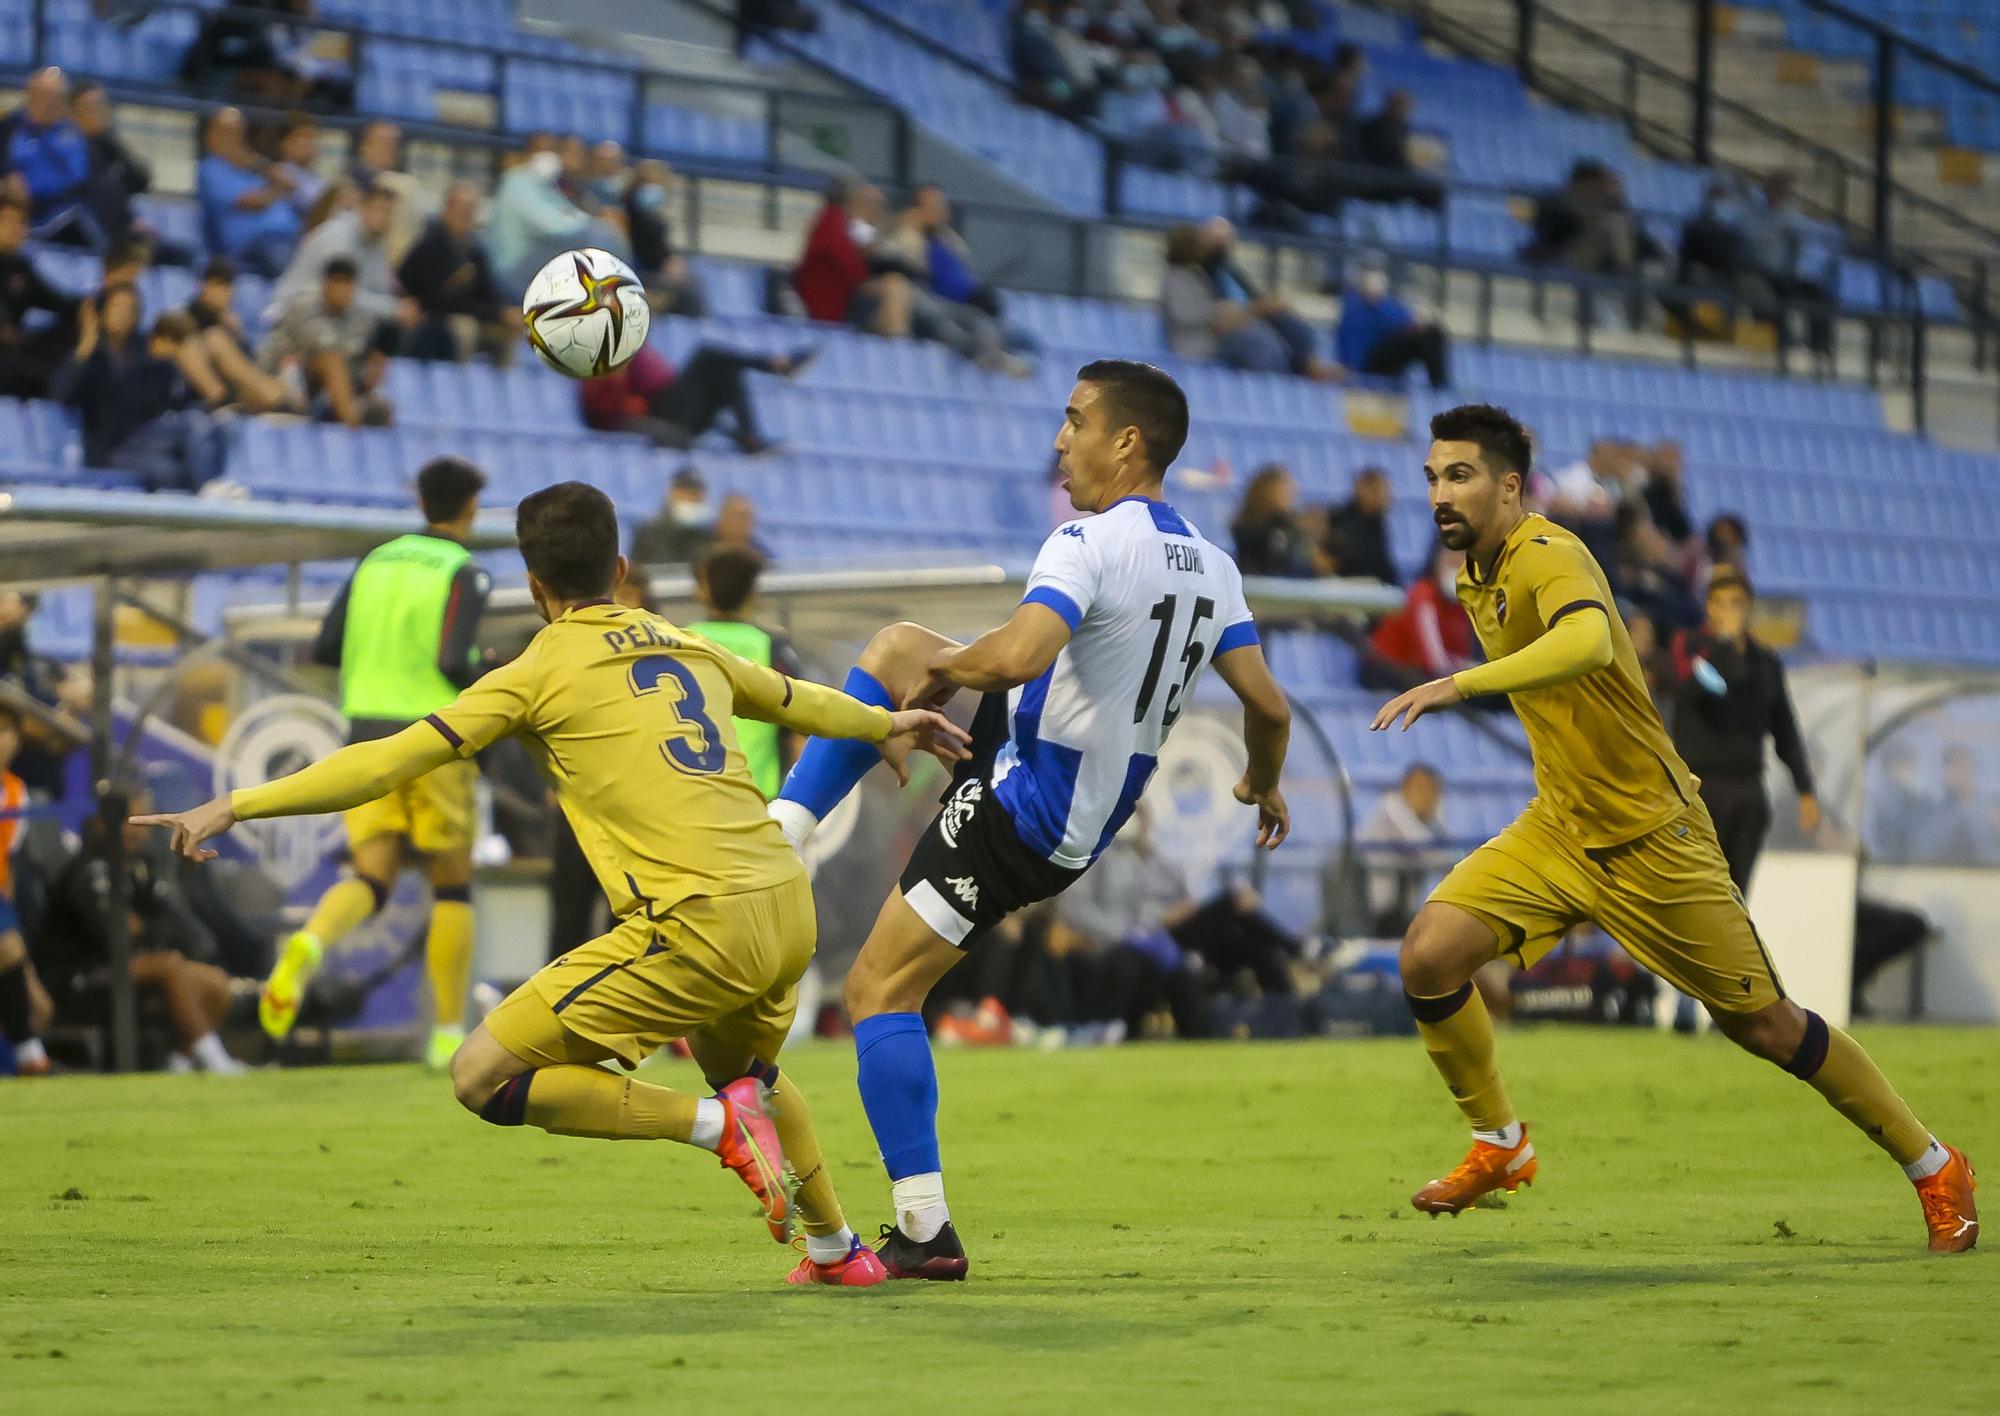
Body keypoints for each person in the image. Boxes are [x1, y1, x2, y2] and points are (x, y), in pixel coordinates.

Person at [137, 480, 970, 1288]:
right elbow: (796, 700)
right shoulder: (683, 640)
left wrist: (239, 803)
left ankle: (717, 1128)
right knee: (748, 1065)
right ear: (619, 568)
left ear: (534, 585)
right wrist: (886, 722)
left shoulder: (534, 671)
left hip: (694, 922)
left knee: (481, 1076)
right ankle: (835, 1248)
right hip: (784, 904)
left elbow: (385, 760)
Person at [1366, 402, 1975, 1251]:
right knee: (1429, 954)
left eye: (1459, 474)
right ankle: (1501, 1144)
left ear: (1510, 486)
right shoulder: (1478, 572)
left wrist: (1462, 684)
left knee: (1766, 1025)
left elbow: (1583, 643)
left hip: (1654, 837)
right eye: (1432, 476)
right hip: (1560, 827)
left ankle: (1934, 1163)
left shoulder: (1550, 553)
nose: (1440, 491)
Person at [767, 360, 1294, 1278]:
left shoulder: (1086, 541)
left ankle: (926, 1232)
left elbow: (1017, 655)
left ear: (1126, 441)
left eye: (1076, 419)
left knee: (876, 993)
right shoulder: (1216, 569)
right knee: (895, 648)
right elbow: (1271, 708)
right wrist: (1265, 781)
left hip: (1025, 806)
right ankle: (781, 837)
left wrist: (953, 677)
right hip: (1074, 807)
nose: (1061, 438)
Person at [255, 459, 492, 1070]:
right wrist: (491, 674)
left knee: (372, 877)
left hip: (364, 733)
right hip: (434, 735)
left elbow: (327, 646)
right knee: (452, 884)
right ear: (468, 508)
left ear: (420, 501)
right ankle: (445, 1033)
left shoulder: (373, 561)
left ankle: (309, 943)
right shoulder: (462, 570)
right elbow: (452, 659)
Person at [37, 798, 247, 1074]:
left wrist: (148, 928)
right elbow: (117, 936)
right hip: (76, 979)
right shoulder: (89, 870)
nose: (137, 831)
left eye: (144, 821)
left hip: (129, 970)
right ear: (103, 823)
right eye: (130, 821)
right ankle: (215, 1061)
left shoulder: (143, 868)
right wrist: (145, 931)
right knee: (169, 965)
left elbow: (162, 925)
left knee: (215, 983)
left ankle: (178, 1063)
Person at [50, 288, 226, 493]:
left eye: (131, 308)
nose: (125, 314)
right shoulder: (91, 357)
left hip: (147, 440)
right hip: (111, 450)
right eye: (118, 307)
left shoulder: (144, 352)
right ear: (102, 312)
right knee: (169, 471)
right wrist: (86, 346)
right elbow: (60, 393)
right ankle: (206, 492)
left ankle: (207, 489)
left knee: (204, 425)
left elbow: (169, 405)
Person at [688, 546, 802, 801]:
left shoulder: (681, 641)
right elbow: (797, 728)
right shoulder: (772, 646)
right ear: (753, 593)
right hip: (757, 795)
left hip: (694, 791)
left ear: (703, 592)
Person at [1160, 219, 1333, 380]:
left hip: (1226, 328)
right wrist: (1221, 313)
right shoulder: (1179, 278)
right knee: (1257, 339)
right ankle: (1275, 386)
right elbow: (1190, 315)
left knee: (1282, 322)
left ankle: (1305, 370)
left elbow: (1245, 300)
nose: (1206, 249)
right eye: (1203, 244)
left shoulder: (1212, 273)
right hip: (1201, 342)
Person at [577, 339, 811, 455]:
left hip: (676, 404)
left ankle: (751, 439)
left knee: (727, 375)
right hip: (662, 410)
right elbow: (602, 410)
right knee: (706, 356)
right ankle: (775, 364)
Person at [259, 256, 393, 427]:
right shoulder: (302, 308)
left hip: (324, 393)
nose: (343, 290)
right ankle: (354, 429)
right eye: (338, 282)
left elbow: (359, 362)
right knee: (331, 361)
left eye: (348, 284)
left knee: (381, 408)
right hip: (280, 382)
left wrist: (369, 372)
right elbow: (322, 349)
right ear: (326, 284)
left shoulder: (360, 319)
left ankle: (374, 446)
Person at [266, 179, 411, 334]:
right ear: (362, 208)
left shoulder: (376, 242)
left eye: (388, 213)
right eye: (378, 210)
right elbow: (340, 293)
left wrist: (399, 309)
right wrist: (393, 309)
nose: (382, 218)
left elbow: (378, 289)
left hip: (337, 315)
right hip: (296, 309)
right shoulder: (337, 235)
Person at [396, 181, 511, 364]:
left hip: (468, 313)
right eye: (461, 208)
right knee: (465, 330)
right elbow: (435, 298)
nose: (466, 215)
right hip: (430, 315)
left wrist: (502, 313)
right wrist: (493, 312)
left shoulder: (474, 249)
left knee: (507, 330)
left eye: (471, 209)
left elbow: (488, 292)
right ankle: (456, 387)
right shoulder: (431, 244)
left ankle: (504, 387)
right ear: (448, 207)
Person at [176, 256, 296, 412]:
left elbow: (249, 362)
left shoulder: (230, 321)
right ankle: (274, 398)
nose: (224, 293)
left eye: (228, 287)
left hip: (239, 388)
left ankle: (278, 398)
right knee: (215, 338)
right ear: (204, 285)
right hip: (203, 389)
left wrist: (235, 333)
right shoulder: (186, 315)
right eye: (217, 285)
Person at [0, 705, 50, 1076]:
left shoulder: (17, 794)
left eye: (6, 731)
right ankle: (28, 1051)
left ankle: (27, 1054)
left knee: (35, 999)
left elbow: (8, 868)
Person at [792, 176, 907, 334]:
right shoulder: (832, 221)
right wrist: (865, 283)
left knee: (895, 288)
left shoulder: (832, 220)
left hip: (836, 299)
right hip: (828, 308)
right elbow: (846, 260)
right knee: (894, 287)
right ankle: (898, 341)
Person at [196, 107, 301, 277]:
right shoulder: (210, 169)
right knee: (291, 268)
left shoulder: (252, 167)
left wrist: (258, 164)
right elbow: (252, 203)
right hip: (256, 244)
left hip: (292, 237)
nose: (233, 139)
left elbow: (293, 184)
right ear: (211, 136)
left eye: (238, 133)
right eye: (227, 133)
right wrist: (278, 187)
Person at [1359, 543, 1475, 692]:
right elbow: (1435, 663)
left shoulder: (1462, 606)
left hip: (1423, 674)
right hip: (1388, 670)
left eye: (1464, 563)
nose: (1457, 567)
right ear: (1438, 562)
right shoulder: (1423, 596)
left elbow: (1460, 657)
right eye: (1452, 561)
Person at [1357, 763, 1455, 937]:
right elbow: (1429, 854)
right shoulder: (1392, 810)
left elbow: (1453, 852)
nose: (1427, 797)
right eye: (1420, 789)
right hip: (1373, 913)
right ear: (1405, 789)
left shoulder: (1428, 820)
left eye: (1433, 791)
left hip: (1403, 911)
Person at [0, 189, 77, 398]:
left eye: (22, 223)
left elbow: (58, 302)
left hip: (14, 355)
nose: (16, 229)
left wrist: (90, 306)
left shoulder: (20, 268)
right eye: (8, 221)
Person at [1, 68, 93, 242]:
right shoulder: (7, 127)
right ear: (29, 95)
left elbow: (77, 179)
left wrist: (30, 189)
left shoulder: (73, 136)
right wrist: (6, 183)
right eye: (42, 96)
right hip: (8, 208)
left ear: (64, 103)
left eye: (54, 99)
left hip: (57, 215)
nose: (47, 104)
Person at [1334, 259, 1448, 389]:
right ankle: (1439, 387)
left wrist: (1422, 322)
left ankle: (1439, 386)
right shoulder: (1352, 309)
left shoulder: (1390, 306)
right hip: (1367, 364)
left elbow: (1413, 322)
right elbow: (1347, 345)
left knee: (1431, 333)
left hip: (1388, 362)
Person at [71, 81, 151, 250]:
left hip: (120, 230)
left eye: (101, 106)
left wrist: (112, 144)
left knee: (182, 254)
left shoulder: (108, 144)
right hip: (84, 230)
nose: (98, 112)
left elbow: (141, 180)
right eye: (91, 107)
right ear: (74, 113)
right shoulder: (69, 147)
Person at [623, 160, 705, 316]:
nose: (653, 189)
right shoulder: (631, 213)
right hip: (640, 274)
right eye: (648, 183)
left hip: (656, 273)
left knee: (694, 281)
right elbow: (648, 250)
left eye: (657, 184)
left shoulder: (655, 217)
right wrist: (667, 263)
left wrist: (671, 261)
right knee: (688, 292)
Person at [1229, 463, 1324, 578]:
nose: (1292, 492)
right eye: (1284, 488)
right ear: (1268, 491)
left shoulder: (1292, 526)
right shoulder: (1249, 526)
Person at [629, 465, 718, 568]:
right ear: (672, 492)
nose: (693, 498)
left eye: (697, 493)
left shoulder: (707, 534)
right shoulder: (648, 530)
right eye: (688, 492)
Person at [1324, 466, 1400, 585]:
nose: (1389, 497)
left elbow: (1385, 571)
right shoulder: (1339, 522)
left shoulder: (1377, 525)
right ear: (1364, 490)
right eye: (1382, 490)